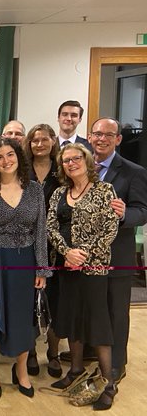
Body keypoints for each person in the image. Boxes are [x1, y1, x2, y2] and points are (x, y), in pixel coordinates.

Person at [0, 138, 50, 399]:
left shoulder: (35, 190)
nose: (6, 161)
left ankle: (22, 369)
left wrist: (42, 269)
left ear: (19, 157)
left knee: (22, 318)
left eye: (10, 155)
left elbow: (41, 231)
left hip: (25, 261)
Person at [46, 143, 119, 410]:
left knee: (97, 324)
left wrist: (82, 255)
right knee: (72, 319)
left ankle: (108, 384)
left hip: (94, 268)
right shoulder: (59, 193)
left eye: (76, 158)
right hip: (66, 267)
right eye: (66, 160)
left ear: (87, 161)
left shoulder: (104, 190)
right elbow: (50, 227)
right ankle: (75, 371)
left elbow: (110, 229)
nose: (71, 163)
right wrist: (67, 252)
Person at [89, 117, 147, 384]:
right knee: (92, 308)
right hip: (88, 256)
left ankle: (116, 364)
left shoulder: (133, 171)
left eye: (108, 135)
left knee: (116, 312)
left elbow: (142, 211)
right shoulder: (82, 166)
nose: (101, 139)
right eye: (97, 134)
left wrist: (124, 215)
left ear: (118, 139)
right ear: (90, 137)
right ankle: (92, 354)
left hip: (117, 256)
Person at [22, 123, 62, 377]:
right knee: (27, 302)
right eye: (35, 140)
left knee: (54, 302)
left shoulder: (62, 170)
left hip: (56, 245)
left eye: (44, 139)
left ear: (53, 141)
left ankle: (54, 353)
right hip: (26, 243)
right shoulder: (22, 169)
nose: (39, 144)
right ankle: (30, 353)